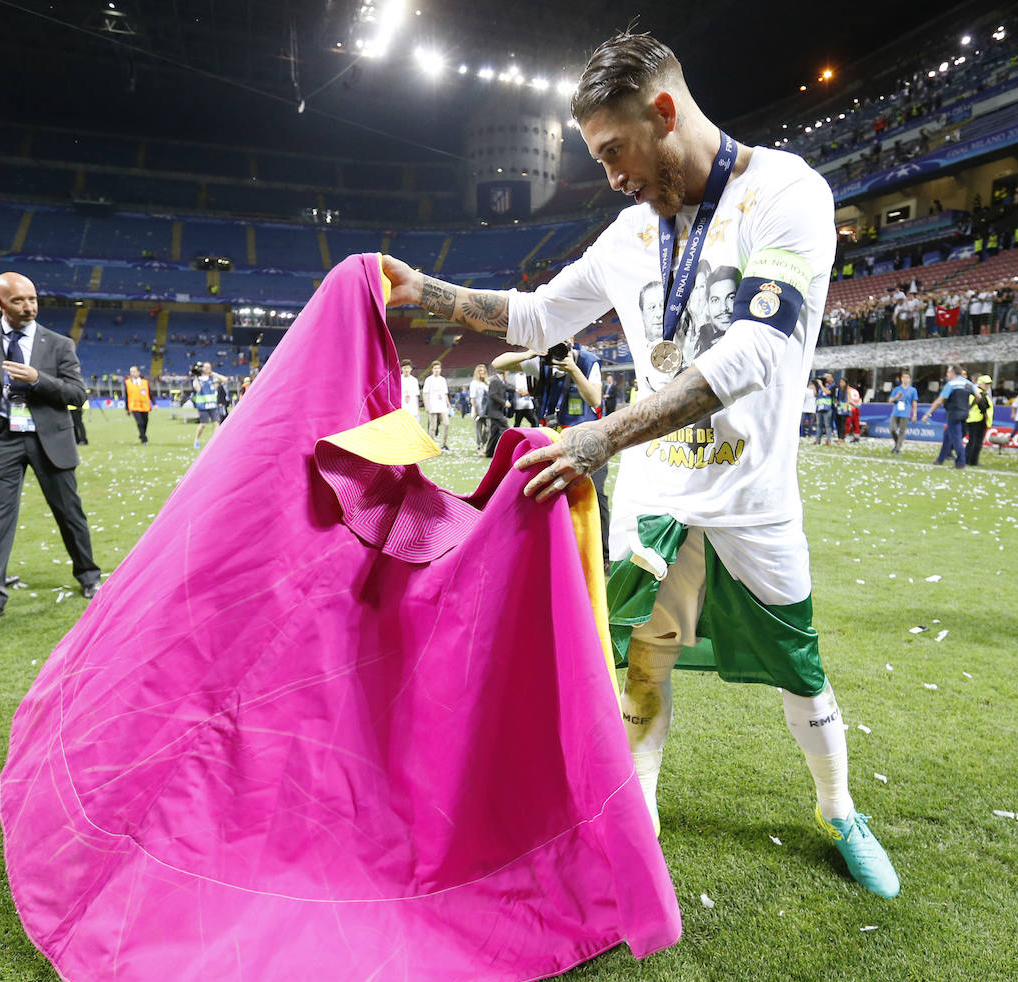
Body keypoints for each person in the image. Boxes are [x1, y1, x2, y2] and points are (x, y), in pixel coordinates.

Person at [381, 31, 898, 898]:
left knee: (799, 664)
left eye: (615, 151)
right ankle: (637, 814)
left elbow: (756, 351)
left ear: (664, 112)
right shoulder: (629, 234)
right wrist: (421, 292)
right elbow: (539, 316)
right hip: (656, 492)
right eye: (599, 157)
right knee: (642, 661)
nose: (612, 174)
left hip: (753, 495)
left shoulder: (785, 194)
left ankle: (839, 807)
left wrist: (601, 436)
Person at [0, 272, 100, 624]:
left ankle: (89, 576)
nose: (29, 306)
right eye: (18, 300)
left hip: (48, 437)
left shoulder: (59, 343)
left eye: (32, 298)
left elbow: (77, 394)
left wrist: (38, 380)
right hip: (0, 438)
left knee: (69, 513)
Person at [494, 339, 610, 563]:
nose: (561, 344)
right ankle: (556, 553)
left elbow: (595, 400)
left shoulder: (586, 361)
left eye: (566, 338)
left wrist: (573, 369)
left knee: (596, 496)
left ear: (573, 339)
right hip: (552, 441)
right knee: (553, 495)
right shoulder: (541, 361)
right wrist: (529, 354)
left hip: (587, 441)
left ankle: (602, 555)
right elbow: (498, 363)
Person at [922, 364, 977, 468]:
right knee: (948, 436)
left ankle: (960, 463)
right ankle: (940, 459)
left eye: (948, 372)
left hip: (953, 414)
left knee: (956, 439)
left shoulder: (951, 384)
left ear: (952, 373)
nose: (947, 374)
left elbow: (939, 401)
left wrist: (928, 413)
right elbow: (978, 396)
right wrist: (970, 406)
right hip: (965, 413)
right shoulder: (968, 383)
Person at [191, 362, 227, 448]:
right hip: (203, 405)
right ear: (202, 368)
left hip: (213, 405)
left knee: (216, 423)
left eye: (209, 367)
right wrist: (195, 376)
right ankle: (196, 440)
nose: (208, 369)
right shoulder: (198, 379)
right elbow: (198, 389)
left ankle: (215, 442)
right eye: (206, 367)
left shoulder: (212, 378)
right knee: (203, 424)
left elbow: (225, 380)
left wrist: (214, 374)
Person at [964, 373, 993, 466]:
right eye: (986, 384)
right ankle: (973, 461)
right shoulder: (981, 393)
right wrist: (985, 416)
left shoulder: (974, 392)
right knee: (977, 442)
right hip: (979, 420)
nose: (988, 386)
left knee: (972, 441)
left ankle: (966, 459)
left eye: (989, 384)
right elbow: (983, 406)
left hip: (972, 419)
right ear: (980, 383)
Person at [422, 360, 451, 451]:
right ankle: (432, 445)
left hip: (442, 406)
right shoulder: (429, 380)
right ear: (432, 369)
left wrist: (449, 405)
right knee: (433, 427)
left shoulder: (443, 380)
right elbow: (425, 393)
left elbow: (445, 393)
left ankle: (444, 444)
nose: (437, 370)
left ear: (440, 369)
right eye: (435, 368)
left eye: (438, 368)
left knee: (446, 423)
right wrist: (426, 405)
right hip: (432, 406)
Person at [887, 370, 918, 454]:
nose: (905, 379)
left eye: (907, 377)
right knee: (892, 429)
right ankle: (897, 443)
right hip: (896, 412)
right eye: (904, 377)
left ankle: (898, 448)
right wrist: (897, 397)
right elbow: (890, 400)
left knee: (902, 431)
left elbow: (914, 403)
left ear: (910, 379)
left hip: (905, 413)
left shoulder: (913, 390)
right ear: (901, 378)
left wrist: (914, 414)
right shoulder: (897, 389)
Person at [483, 362, 510, 456]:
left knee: (494, 433)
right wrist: (504, 402)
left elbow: (506, 387)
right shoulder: (495, 380)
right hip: (495, 411)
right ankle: (508, 450)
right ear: (504, 372)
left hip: (496, 411)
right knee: (506, 429)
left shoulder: (499, 380)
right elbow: (492, 394)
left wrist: (517, 390)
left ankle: (489, 452)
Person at [124, 365, 152, 444]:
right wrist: (126, 409)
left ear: (138, 372)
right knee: (140, 422)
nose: (132, 373)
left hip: (145, 406)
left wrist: (154, 403)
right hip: (134, 406)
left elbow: (150, 393)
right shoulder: (127, 383)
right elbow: (126, 396)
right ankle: (144, 439)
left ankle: (142, 434)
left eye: (134, 371)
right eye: (131, 372)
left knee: (145, 422)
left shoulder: (145, 382)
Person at [469, 364, 489, 454]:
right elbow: (472, 398)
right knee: (478, 429)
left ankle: (483, 443)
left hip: (487, 410)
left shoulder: (487, 383)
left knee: (488, 428)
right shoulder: (474, 383)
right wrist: (476, 411)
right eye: (480, 371)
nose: (482, 372)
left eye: (483, 370)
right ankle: (479, 445)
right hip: (477, 409)